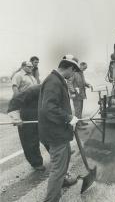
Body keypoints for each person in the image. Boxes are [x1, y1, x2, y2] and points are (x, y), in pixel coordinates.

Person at [38, 54, 80, 202]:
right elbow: (48, 108)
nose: (74, 74)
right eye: (74, 71)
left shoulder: (57, 79)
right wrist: (68, 118)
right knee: (58, 169)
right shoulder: (53, 81)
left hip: (58, 131)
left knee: (65, 157)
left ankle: (63, 181)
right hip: (55, 133)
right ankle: (52, 199)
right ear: (69, 68)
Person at [7, 85, 49, 171]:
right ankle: (36, 163)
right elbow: (14, 102)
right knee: (30, 142)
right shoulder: (34, 90)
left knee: (50, 136)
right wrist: (16, 118)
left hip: (41, 115)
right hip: (27, 118)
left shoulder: (57, 91)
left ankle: (58, 156)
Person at [67, 62, 92, 129]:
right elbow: (69, 83)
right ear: (80, 66)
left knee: (80, 109)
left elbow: (83, 82)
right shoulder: (74, 73)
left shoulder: (81, 73)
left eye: (85, 68)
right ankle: (78, 125)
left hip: (81, 94)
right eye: (84, 68)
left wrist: (87, 84)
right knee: (77, 110)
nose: (85, 69)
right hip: (76, 94)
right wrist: (73, 91)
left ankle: (80, 121)